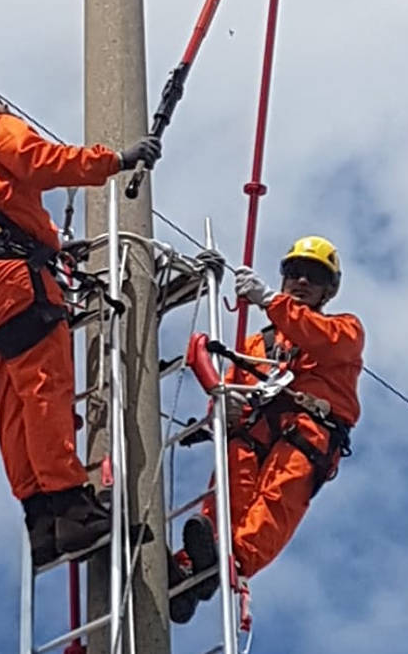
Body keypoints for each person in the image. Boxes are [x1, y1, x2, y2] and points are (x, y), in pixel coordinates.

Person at [0, 82, 162, 565]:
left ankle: (42, 518)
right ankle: (72, 507)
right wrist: (114, 160)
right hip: (11, 280)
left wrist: (48, 250)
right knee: (43, 388)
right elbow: (42, 160)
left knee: (13, 406)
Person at [170, 235, 364, 622]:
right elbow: (228, 385)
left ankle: (234, 562)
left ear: (330, 289)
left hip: (307, 431)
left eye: (313, 276)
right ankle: (194, 566)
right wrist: (221, 409)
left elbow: (321, 341)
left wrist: (270, 301)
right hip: (253, 432)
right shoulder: (256, 343)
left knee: (277, 499)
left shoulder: (345, 329)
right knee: (225, 493)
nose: (302, 282)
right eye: (295, 273)